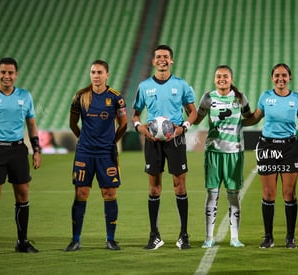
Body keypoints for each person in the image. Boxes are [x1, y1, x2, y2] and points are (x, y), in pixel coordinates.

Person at [243, 63, 298, 249]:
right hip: (267, 147)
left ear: (290, 78)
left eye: (284, 76)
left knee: (289, 194)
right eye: (277, 76)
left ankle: (290, 238)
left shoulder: (296, 98)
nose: (280, 79)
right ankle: (268, 237)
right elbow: (255, 117)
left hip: (289, 149)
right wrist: (234, 123)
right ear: (272, 78)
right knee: (268, 194)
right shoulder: (266, 96)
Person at [132, 45, 197, 250]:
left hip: (175, 140)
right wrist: (140, 128)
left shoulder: (181, 84)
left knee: (179, 184)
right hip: (153, 141)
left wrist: (183, 128)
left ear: (171, 61)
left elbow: (192, 112)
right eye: (158, 56)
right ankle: (154, 235)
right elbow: (135, 115)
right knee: (154, 187)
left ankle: (183, 235)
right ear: (153, 61)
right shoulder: (144, 87)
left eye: (166, 57)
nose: (162, 60)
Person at [0, 57, 41, 256]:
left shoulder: (25, 96)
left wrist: (36, 150)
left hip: (18, 151)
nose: (7, 76)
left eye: (10, 73)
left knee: (23, 195)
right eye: (3, 72)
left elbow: (31, 124)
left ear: (16, 74)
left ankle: (22, 242)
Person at [64, 60, 127, 252]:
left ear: (107, 74)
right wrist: (83, 140)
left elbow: (123, 124)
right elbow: (73, 124)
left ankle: (111, 239)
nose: (96, 75)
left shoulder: (116, 98)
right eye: (93, 72)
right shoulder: (80, 97)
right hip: (85, 152)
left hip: (106, 153)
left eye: (100, 72)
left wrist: (111, 142)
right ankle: (75, 240)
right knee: (81, 193)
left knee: (109, 193)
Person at [194, 65, 252, 248]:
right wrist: (185, 109)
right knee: (212, 195)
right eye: (218, 76)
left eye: (225, 76)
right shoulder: (208, 97)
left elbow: (250, 118)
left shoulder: (240, 98)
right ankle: (209, 237)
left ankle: (235, 238)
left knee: (233, 196)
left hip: (234, 152)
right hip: (213, 151)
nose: (222, 79)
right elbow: (196, 119)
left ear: (231, 79)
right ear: (214, 79)